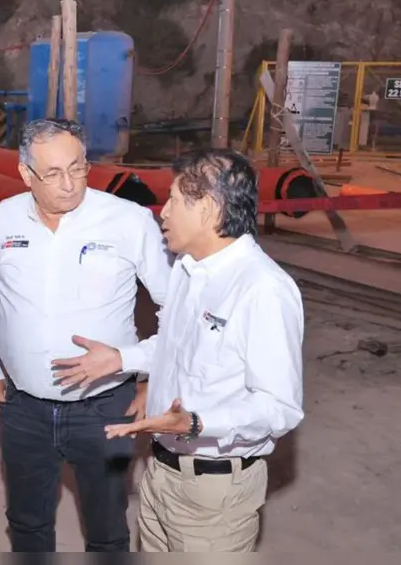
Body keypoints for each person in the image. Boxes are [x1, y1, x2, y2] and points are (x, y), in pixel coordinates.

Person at [84, 148, 304, 552]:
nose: (162, 212)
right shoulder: (187, 269)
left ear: (207, 209)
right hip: (161, 471)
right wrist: (120, 359)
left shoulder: (262, 289)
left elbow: (279, 408)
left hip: (215, 495)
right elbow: (174, 347)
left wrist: (196, 423)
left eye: (172, 200)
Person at [0, 118, 171, 552]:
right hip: (23, 408)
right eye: (53, 173)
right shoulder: (4, 219)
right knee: (26, 525)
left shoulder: (128, 221)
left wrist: (147, 371)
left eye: (78, 168)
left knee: (107, 528)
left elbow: (178, 309)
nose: (69, 184)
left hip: (103, 409)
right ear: (26, 174)